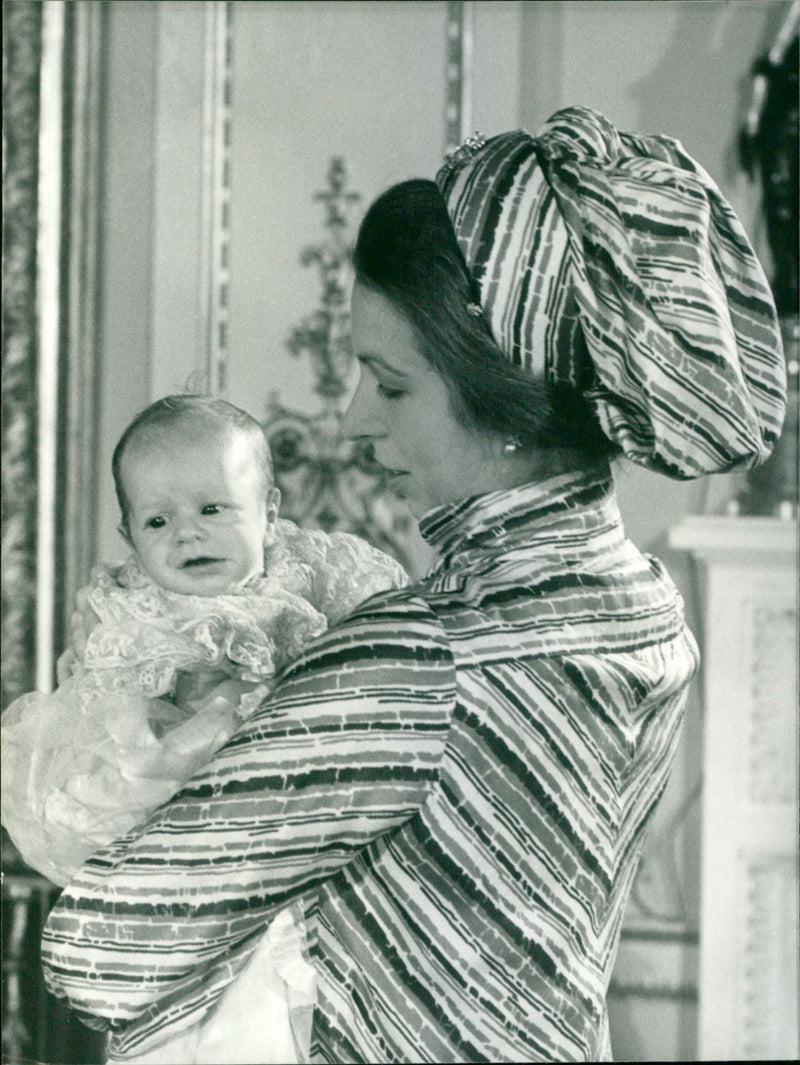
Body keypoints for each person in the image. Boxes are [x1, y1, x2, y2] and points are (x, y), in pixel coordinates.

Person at [39, 107, 785, 1063]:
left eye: (390, 385)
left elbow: (92, 949)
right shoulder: (644, 610)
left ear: (504, 396)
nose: (354, 422)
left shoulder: (422, 654)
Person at [2, 393, 406, 1064]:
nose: (186, 533)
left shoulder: (315, 593)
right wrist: (179, 734)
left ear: (270, 511)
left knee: (289, 1011)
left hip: (299, 846)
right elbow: (114, 732)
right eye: (157, 519)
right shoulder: (136, 620)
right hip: (175, 842)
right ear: (129, 536)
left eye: (212, 509)